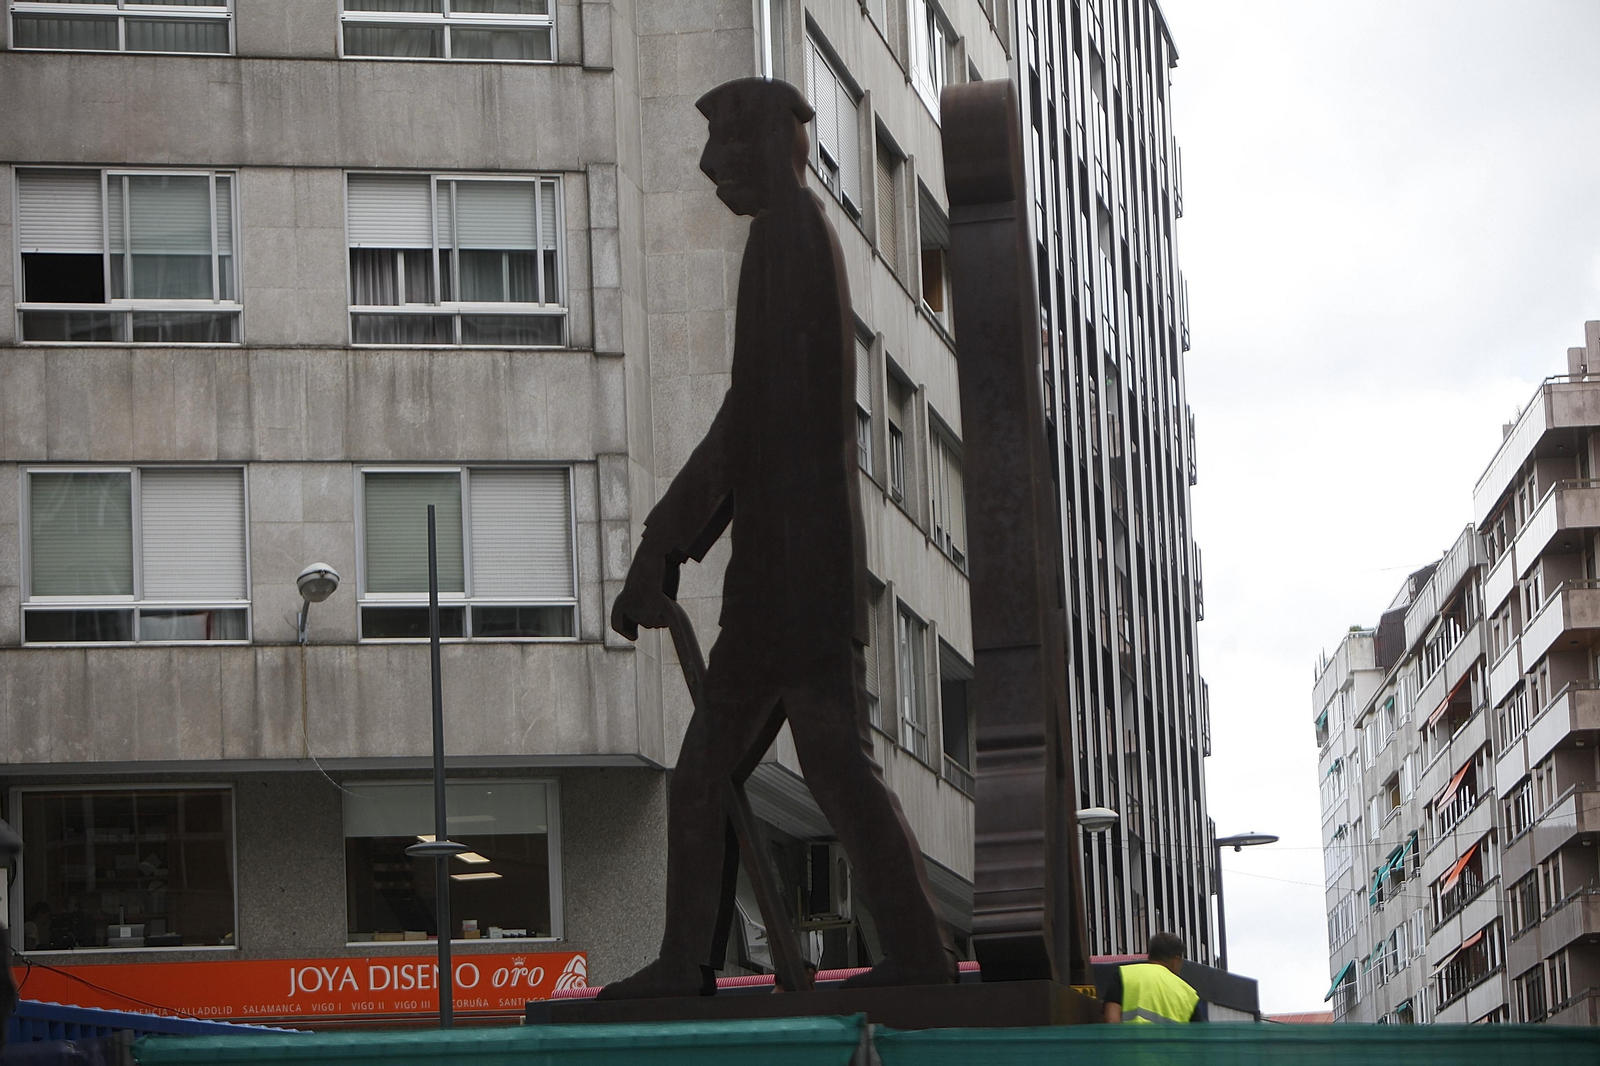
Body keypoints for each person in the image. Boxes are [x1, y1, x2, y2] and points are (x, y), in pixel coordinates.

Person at [600, 77, 955, 999]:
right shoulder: (791, 239)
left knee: (753, 772)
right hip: (793, 573)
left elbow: (747, 418)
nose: (714, 175)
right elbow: (751, 419)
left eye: (726, 154)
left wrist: (664, 544)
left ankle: (696, 965)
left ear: (769, 148)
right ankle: (709, 961)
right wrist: (671, 545)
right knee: (779, 771)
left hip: (789, 581)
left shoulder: (788, 240)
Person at [1103, 932, 1207, 1024]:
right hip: (1170, 1046)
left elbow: (1112, 1021)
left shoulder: (1124, 975)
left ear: (1150, 956)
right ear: (1176, 961)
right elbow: (1199, 1038)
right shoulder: (1188, 994)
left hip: (1131, 1046)